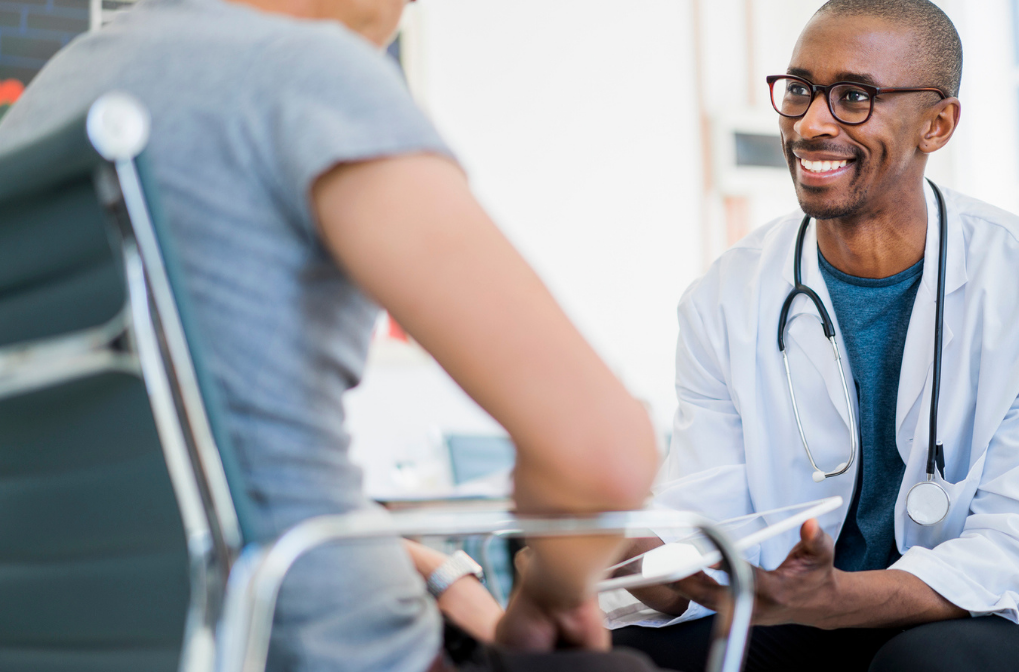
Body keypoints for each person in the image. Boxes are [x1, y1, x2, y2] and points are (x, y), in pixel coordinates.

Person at [0, 0, 667, 670]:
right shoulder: (300, 71)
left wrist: (436, 571)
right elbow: (600, 460)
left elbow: (189, 480)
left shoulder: (44, 107)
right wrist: (549, 594)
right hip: (305, 643)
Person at [608, 1, 1019, 671]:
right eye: (798, 90)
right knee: (621, 654)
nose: (810, 123)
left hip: (990, 612)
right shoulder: (722, 300)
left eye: (853, 97)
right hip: (800, 611)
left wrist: (841, 596)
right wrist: (636, 562)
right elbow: (705, 513)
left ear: (936, 124)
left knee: (924, 665)